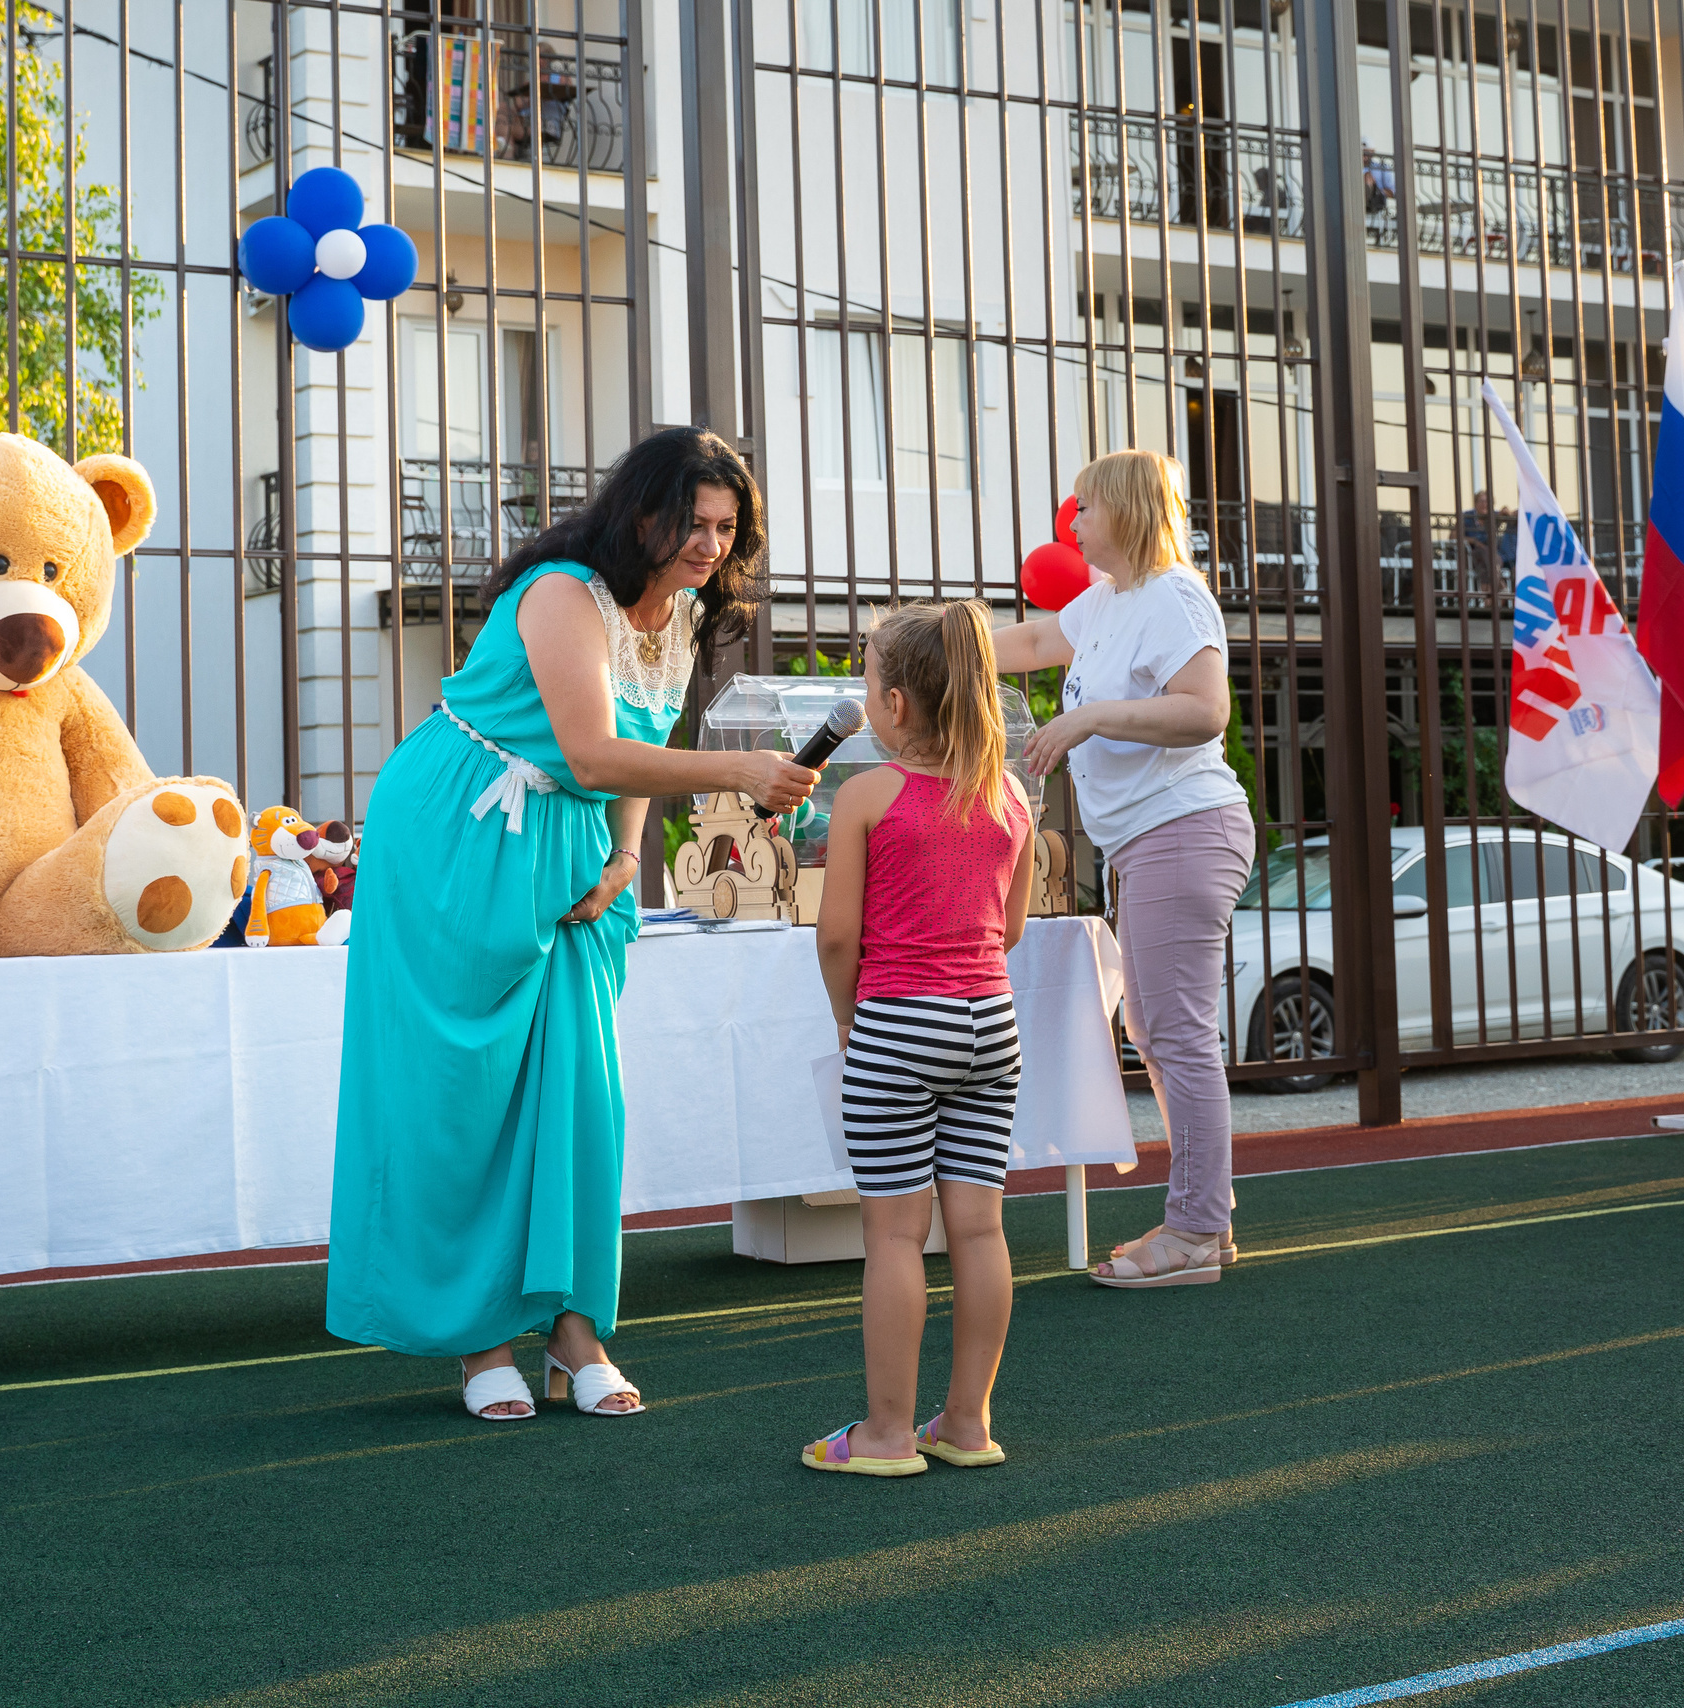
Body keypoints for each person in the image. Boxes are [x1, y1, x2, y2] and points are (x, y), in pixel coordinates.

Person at [329, 428, 817, 1420]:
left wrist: (628, 856)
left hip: (576, 843)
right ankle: (477, 1341)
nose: (709, 543)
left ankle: (575, 1329)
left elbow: (628, 758)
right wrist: (739, 769)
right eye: (692, 521)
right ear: (639, 512)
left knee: (581, 1092)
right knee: (458, 1093)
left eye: (727, 526)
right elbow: (593, 752)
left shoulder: (676, 614)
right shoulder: (561, 592)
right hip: (457, 834)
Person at [993, 449, 1254, 1288]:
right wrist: (933, 644)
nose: (1072, 523)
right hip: (1149, 839)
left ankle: (1194, 1231)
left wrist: (1093, 716)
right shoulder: (1104, 601)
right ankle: (1206, 1219)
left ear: (1128, 510)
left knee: (1173, 1034)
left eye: (1084, 507)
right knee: (1157, 1031)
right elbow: (1032, 639)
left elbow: (1205, 710)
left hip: (1185, 829)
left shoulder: (1174, 596)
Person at [800, 602, 1033, 1477]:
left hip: (898, 1021)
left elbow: (836, 937)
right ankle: (966, 1424)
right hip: (991, 1025)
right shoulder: (1009, 794)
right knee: (980, 1230)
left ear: (895, 705)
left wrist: (848, 1016)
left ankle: (888, 1436)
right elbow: (1009, 931)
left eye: (868, 680)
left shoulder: (866, 795)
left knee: (895, 1236)